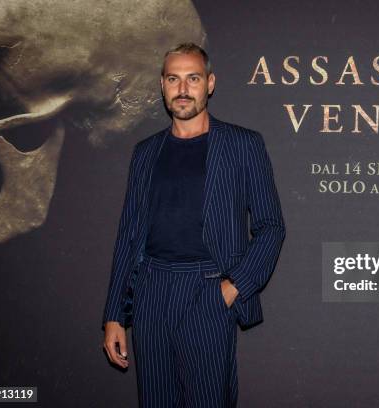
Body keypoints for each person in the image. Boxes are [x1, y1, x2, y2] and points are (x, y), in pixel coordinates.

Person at [101, 42, 286, 408]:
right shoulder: (145, 152)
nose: (183, 89)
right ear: (162, 85)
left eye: (193, 78)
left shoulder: (242, 145)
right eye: (174, 79)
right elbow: (129, 235)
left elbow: (271, 226)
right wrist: (113, 315)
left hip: (207, 291)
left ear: (210, 84)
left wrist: (231, 290)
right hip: (151, 292)